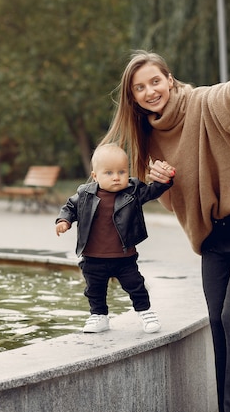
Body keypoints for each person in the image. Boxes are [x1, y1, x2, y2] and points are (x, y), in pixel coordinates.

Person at [99, 51, 230, 412]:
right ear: (133, 97)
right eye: (140, 87)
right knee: (217, 322)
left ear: (169, 79)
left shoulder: (200, 102)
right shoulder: (147, 138)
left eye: (155, 81)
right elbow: (173, 203)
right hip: (211, 240)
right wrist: (160, 183)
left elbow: (226, 98)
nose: (150, 91)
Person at [55, 143, 175, 334]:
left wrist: (165, 180)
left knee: (136, 285)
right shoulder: (84, 194)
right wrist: (64, 221)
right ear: (95, 176)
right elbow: (70, 207)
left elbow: (152, 191)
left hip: (124, 257)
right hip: (93, 257)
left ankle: (145, 312)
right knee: (94, 290)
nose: (117, 177)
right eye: (109, 173)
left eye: (122, 171)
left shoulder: (133, 191)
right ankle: (99, 316)